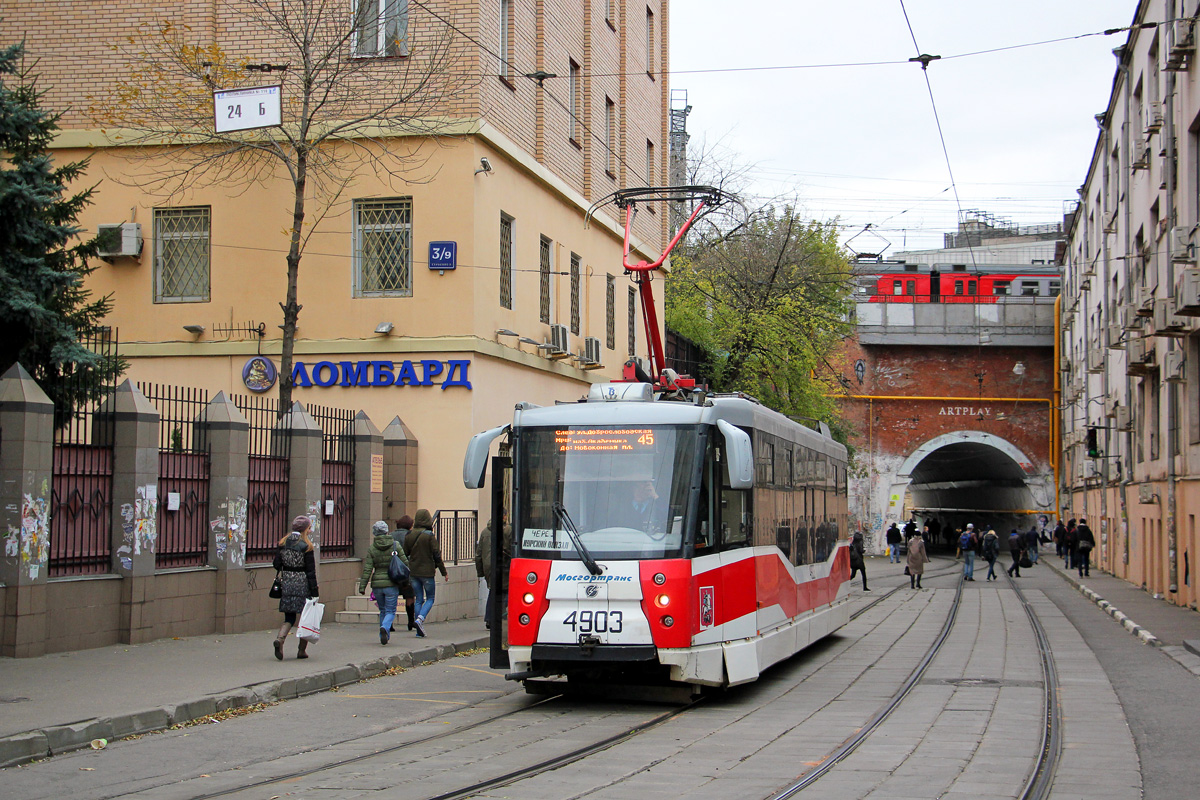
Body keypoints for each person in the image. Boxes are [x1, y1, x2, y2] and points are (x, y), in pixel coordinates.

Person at [272, 515, 319, 660]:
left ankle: (280, 640)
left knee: (289, 617)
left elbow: (276, 564)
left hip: (287, 582)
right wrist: (315, 591)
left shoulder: (283, 543)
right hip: (302, 583)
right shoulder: (307, 546)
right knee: (306, 618)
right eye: (309, 528)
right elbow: (311, 571)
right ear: (305, 529)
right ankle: (301, 651)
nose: (310, 531)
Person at [358, 520, 410, 645]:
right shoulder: (395, 545)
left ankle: (383, 631)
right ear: (387, 531)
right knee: (391, 610)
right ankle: (385, 628)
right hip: (392, 583)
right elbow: (405, 563)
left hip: (377, 584)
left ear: (374, 533)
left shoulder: (372, 548)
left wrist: (363, 586)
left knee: (382, 610)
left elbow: (368, 569)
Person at [404, 508, 448, 638]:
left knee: (418, 599)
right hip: (427, 572)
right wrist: (443, 571)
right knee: (430, 598)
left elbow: (406, 553)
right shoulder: (429, 536)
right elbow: (436, 555)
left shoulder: (409, 535)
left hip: (413, 572)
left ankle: (418, 629)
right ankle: (420, 620)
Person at [475, 514, 512, 629]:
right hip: (502, 565)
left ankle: (489, 618)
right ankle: (499, 617)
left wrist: (481, 572)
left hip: (488, 566)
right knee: (505, 591)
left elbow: (478, 553)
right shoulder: (507, 531)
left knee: (493, 591)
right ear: (504, 516)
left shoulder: (485, 532)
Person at [391, 515, 417, 632]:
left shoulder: (390, 536)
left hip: (392, 570)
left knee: (392, 597)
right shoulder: (410, 536)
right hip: (406, 571)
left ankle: (389, 623)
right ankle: (410, 621)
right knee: (410, 596)